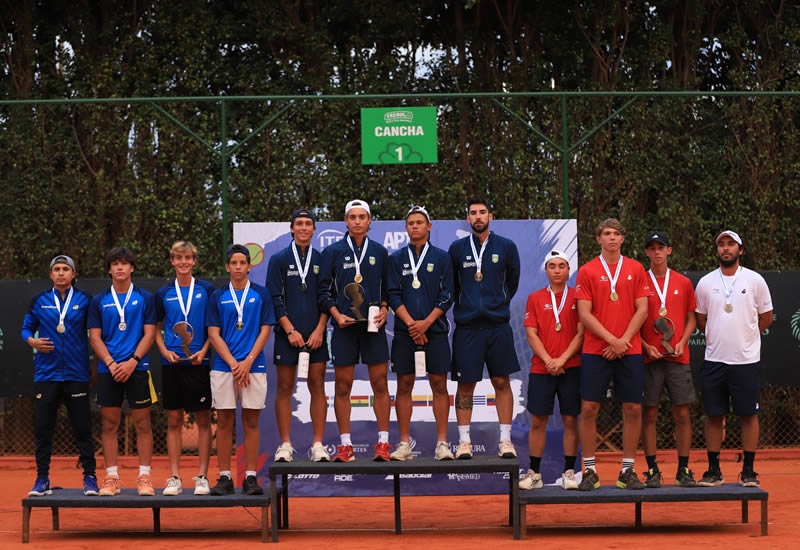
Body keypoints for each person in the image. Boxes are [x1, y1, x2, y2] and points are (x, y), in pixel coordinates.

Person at [575, 218, 649, 490]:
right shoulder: (587, 270)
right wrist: (611, 340)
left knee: (632, 408)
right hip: (597, 349)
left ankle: (627, 471)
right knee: (589, 408)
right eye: (607, 233)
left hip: (630, 349)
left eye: (617, 233)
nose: (612, 238)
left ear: (623, 238)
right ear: (598, 238)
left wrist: (623, 341)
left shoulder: (636, 268)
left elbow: (643, 309)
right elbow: (584, 313)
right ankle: (590, 471)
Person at [695, 230, 773, 487]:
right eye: (722, 245)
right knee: (714, 415)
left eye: (731, 244)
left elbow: (766, 317)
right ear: (717, 250)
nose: (726, 248)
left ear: (740, 250)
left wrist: (748, 336)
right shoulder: (705, 282)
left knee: (748, 415)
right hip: (714, 360)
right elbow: (701, 319)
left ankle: (748, 471)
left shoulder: (755, 280)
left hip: (746, 361)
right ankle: (714, 470)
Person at [318, 199, 392, 462]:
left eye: (362, 217)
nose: (358, 221)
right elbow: (323, 290)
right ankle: (345, 445)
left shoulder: (380, 252)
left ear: (369, 221)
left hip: (373, 326)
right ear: (346, 221)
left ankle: (383, 443)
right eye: (353, 217)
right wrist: (336, 314)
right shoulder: (332, 252)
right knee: (342, 385)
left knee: (380, 383)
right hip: (344, 327)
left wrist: (385, 308)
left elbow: (389, 288)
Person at [448, 197, 521, 459]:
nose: (478, 216)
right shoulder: (457, 249)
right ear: (467, 218)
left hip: (497, 326)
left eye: (482, 212)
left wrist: (495, 304)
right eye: (473, 213)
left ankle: (505, 440)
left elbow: (512, 283)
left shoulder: (506, 246)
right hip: (467, 328)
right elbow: (453, 286)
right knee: (465, 385)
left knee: (501, 381)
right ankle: (464, 442)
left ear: (491, 216)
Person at [22, 255, 98, 497]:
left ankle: (90, 477)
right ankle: (42, 478)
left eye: (66, 269)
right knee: (43, 430)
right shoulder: (39, 300)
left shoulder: (86, 300)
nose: (61, 273)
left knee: (83, 429)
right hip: (47, 375)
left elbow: (96, 333)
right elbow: (25, 329)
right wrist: (32, 341)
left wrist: (94, 366)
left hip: (77, 374)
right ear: (50, 274)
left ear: (73, 274)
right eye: (57, 269)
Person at [387, 205, 455, 461]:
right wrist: (412, 325)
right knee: (404, 385)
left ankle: (442, 444)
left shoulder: (442, 258)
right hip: (405, 332)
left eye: (419, 222)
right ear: (406, 228)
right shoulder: (396, 259)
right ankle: (404, 444)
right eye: (411, 223)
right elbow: (392, 294)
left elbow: (447, 294)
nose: (415, 226)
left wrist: (426, 323)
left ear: (429, 226)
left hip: (434, 330)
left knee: (439, 385)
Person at [206, 244, 275, 495]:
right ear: (227, 267)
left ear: (249, 266)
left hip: (253, 366)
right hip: (224, 367)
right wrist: (235, 364)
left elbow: (265, 330)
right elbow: (213, 333)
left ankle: (250, 478)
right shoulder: (217, 296)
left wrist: (247, 361)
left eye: (242, 263)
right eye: (233, 263)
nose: (238, 267)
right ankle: (225, 477)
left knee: (251, 421)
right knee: (224, 421)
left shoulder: (261, 294)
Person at [88, 247, 157, 496]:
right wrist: (110, 363)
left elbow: (150, 333)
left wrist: (132, 361)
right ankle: (111, 478)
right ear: (109, 270)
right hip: (109, 369)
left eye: (124, 263)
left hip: (138, 368)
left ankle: (145, 478)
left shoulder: (146, 298)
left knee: (142, 423)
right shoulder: (99, 301)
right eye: (115, 263)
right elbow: (95, 337)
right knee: (109, 424)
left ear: (132, 268)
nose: (120, 267)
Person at [266, 209, 331, 463]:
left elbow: (327, 297)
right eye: (299, 223)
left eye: (308, 223)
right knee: (284, 387)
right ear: (292, 228)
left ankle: (318, 445)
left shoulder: (322, 259)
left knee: (317, 385)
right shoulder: (279, 259)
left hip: (316, 335)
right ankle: (285, 445)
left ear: (314, 229)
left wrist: (320, 330)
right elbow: (274, 297)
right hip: (287, 335)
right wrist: (290, 330)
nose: (303, 227)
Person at [154, 241, 215, 495]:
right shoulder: (163, 293)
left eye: (188, 258)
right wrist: (164, 351)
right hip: (173, 363)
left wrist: (206, 349)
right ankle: (174, 478)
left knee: (203, 419)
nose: (183, 262)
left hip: (200, 362)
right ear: (172, 261)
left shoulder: (207, 290)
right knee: (174, 419)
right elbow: (155, 328)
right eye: (179, 258)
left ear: (194, 261)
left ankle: (202, 476)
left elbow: (214, 326)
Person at [519, 250, 584, 490]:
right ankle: (534, 474)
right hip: (542, 368)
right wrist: (549, 360)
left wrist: (563, 359)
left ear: (569, 270)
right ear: (545, 270)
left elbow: (581, 333)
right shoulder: (535, 298)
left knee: (570, 419)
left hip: (572, 367)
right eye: (552, 266)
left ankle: (569, 472)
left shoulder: (578, 297)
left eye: (561, 266)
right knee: (538, 420)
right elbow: (531, 334)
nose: (557, 270)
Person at [640, 231, 698, 488]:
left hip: (677, 357)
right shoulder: (639, 280)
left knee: (682, 414)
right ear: (647, 252)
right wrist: (644, 346)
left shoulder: (683, 282)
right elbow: (632, 319)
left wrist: (682, 341)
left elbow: (691, 318)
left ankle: (683, 469)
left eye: (661, 247)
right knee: (649, 414)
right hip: (648, 359)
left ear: (669, 250)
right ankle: (652, 470)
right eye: (652, 248)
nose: (657, 252)